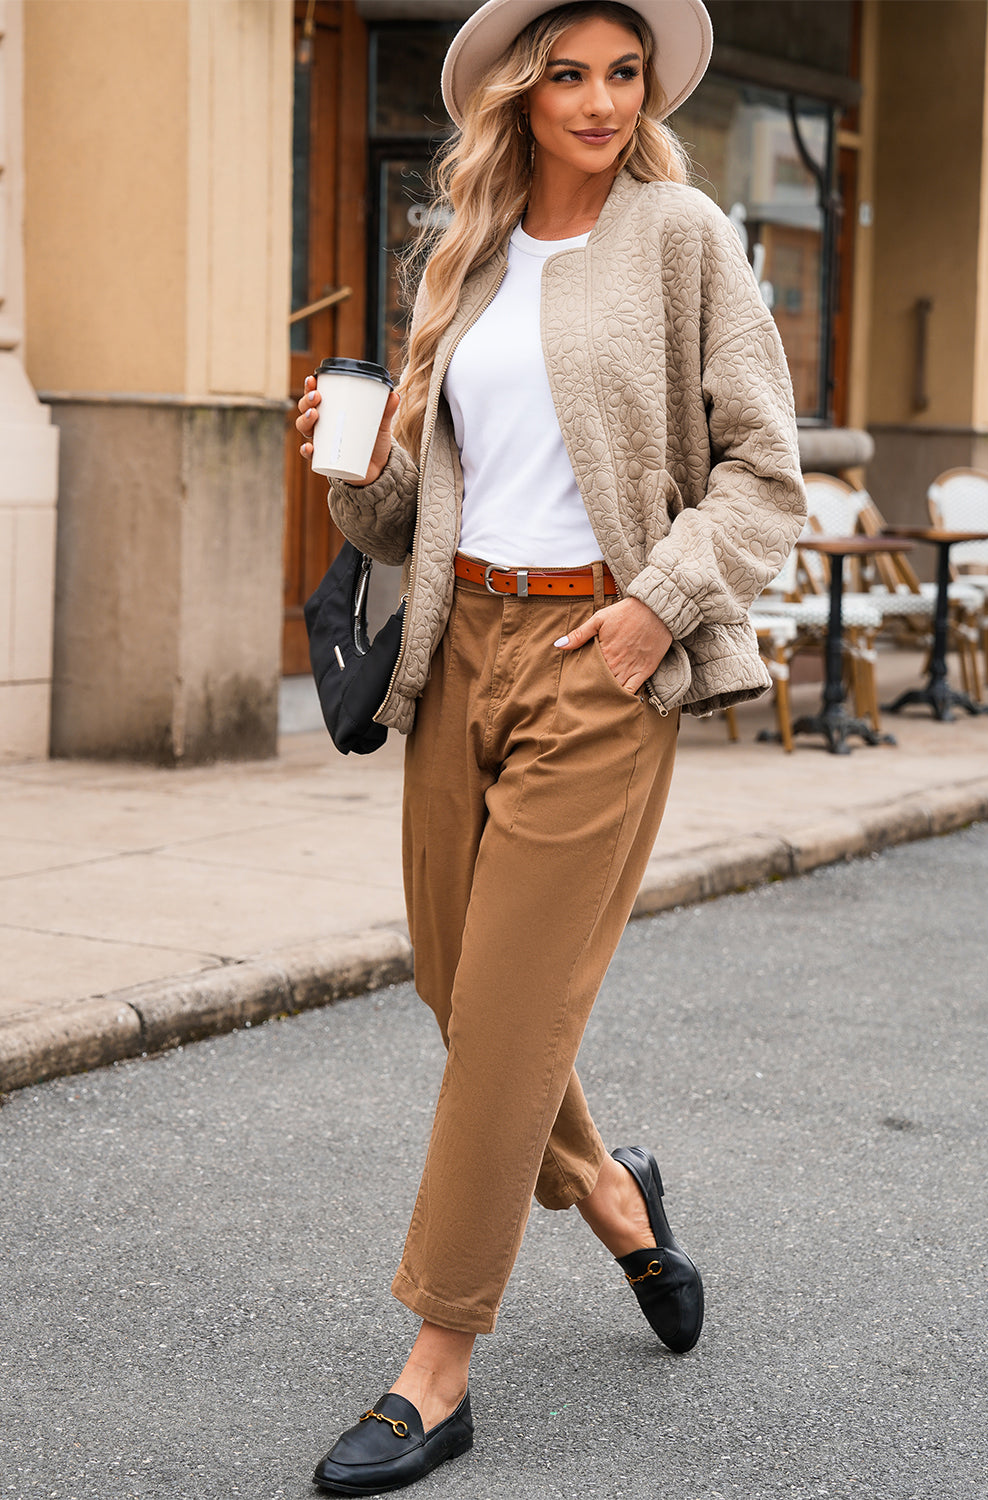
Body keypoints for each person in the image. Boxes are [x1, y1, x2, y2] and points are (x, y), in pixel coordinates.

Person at [296, 0, 806, 1490]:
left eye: (619, 73)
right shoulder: (457, 257)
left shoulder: (682, 234)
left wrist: (658, 612)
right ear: (515, 95)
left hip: (605, 650)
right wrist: (359, 464)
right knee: (460, 989)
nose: (595, 100)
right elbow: (410, 519)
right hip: (461, 656)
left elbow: (763, 473)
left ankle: (433, 1368)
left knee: (507, 1023)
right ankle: (611, 1194)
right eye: (565, 74)